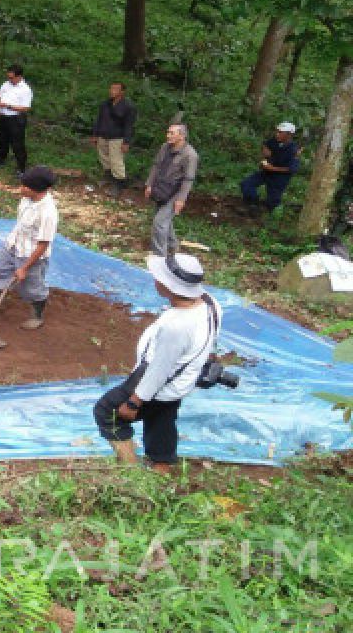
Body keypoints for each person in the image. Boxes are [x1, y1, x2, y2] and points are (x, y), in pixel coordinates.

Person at [93, 253, 220, 473]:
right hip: (182, 381)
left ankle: (130, 469)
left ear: (169, 286)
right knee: (162, 416)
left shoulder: (177, 327)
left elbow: (159, 370)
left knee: (107, 412)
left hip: (156, 383)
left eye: (159, 278)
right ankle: (162, 463)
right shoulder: (210, 302)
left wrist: (134, 402)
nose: (155, 280)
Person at [0, 166, 59, 330]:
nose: (21, 188)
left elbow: (43, 244)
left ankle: (36, 316)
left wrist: (24, 267)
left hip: (31, 254)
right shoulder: (27, 198)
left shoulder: (48, 213)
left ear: (36, 190)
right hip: (13, 244)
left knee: (31, 286)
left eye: (25, 186)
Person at [145, 123, 198, 256]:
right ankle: (173, 245)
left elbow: (188, 179)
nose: (168, 136)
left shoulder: (190, 155)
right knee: (163, 220)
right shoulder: (165, 147)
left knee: (159, 222)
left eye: (171, 133)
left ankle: (159, 255)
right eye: (168, 132)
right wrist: (149, 184)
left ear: (181, 136)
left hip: (176, 192)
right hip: (161, 188)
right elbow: (156, 166)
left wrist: (181, 200)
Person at [240, 122, 300, 216]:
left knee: (273, 203)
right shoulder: (275, 141)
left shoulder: (293, 150)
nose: (277, 134)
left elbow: (292, 169)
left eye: (280, 132)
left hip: (280, 178)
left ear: (289, 135)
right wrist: (265, 151)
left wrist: (272, 168)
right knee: (246, 184)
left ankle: (278, 209)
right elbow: (266, 144)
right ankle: (253, 204)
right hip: (266, 172)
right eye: (277, 131)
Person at [91, 81, 137, 197]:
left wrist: (126, 141)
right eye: (111, 89)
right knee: (104, 157)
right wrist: (95, 134)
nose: (112, 91)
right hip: (103, 135)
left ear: (122, 92)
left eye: (116, 89)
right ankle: (108, 176)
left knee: (116, 161)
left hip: (117, 137)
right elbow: (99, 120)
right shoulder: (105, 104)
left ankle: (119, 184)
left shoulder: (128, 106)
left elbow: (129, 125)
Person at [0, 65, 33, 174]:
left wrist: (8, 106)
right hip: (3, 117)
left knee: (17, 143)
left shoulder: (25, 89)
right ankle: (0, 160)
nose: (10, 80)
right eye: (8, 77)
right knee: (2, 140)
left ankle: (21, 168)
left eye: (12, 78)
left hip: (16, 118)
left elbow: (25, 108)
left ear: (19, 77)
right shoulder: (5, 85)